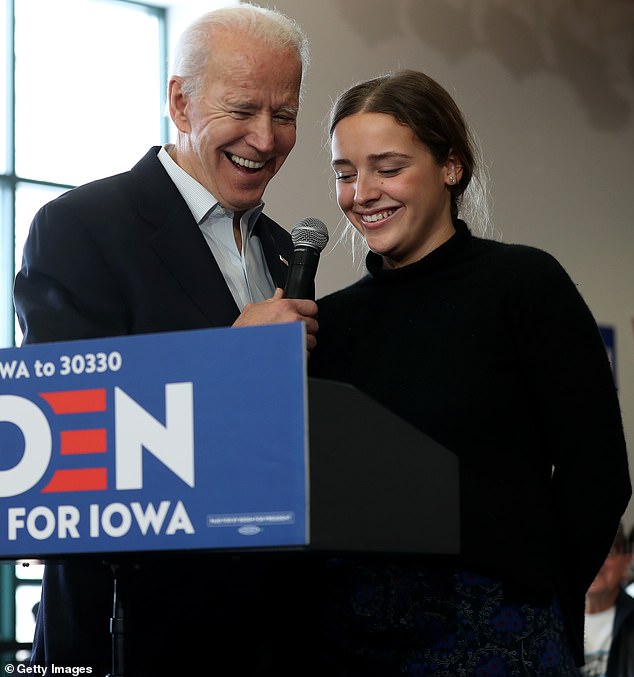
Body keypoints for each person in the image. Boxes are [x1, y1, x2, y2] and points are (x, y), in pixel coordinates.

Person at [14, 5, 318, 675]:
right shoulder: (80, 228)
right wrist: (225, 362)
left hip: (277, 638)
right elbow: (67, 448)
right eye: (242, 109)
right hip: (133, 636)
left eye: (285, 115)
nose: (265, 140)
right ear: (180, 101)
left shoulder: (280, 249)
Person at [307, 69, 631, 675]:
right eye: (345, 173)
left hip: (496, 635)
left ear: (450, 167)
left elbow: (600, 471)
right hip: (348, 638)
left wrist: (543, 599)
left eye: (388, 166)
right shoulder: (328, 323)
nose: (362, 192)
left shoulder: (525, 286)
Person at [583, 521, 634, 676]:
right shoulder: (551, 622)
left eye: (608, 552)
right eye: (585, 552)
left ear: (626, 560)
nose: (595, 562)